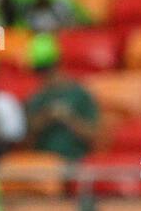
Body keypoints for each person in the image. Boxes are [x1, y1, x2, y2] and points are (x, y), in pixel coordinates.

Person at [22, 33, 99, 161]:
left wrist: (68, 118)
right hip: (45, 165)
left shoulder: (80, 94)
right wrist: (46, 117)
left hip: (76, 163)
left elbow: (93, 136)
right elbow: (26, 140)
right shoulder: (36, 98)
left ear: (58, 65)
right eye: (40, 71)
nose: (46, 76)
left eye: (49, 69)